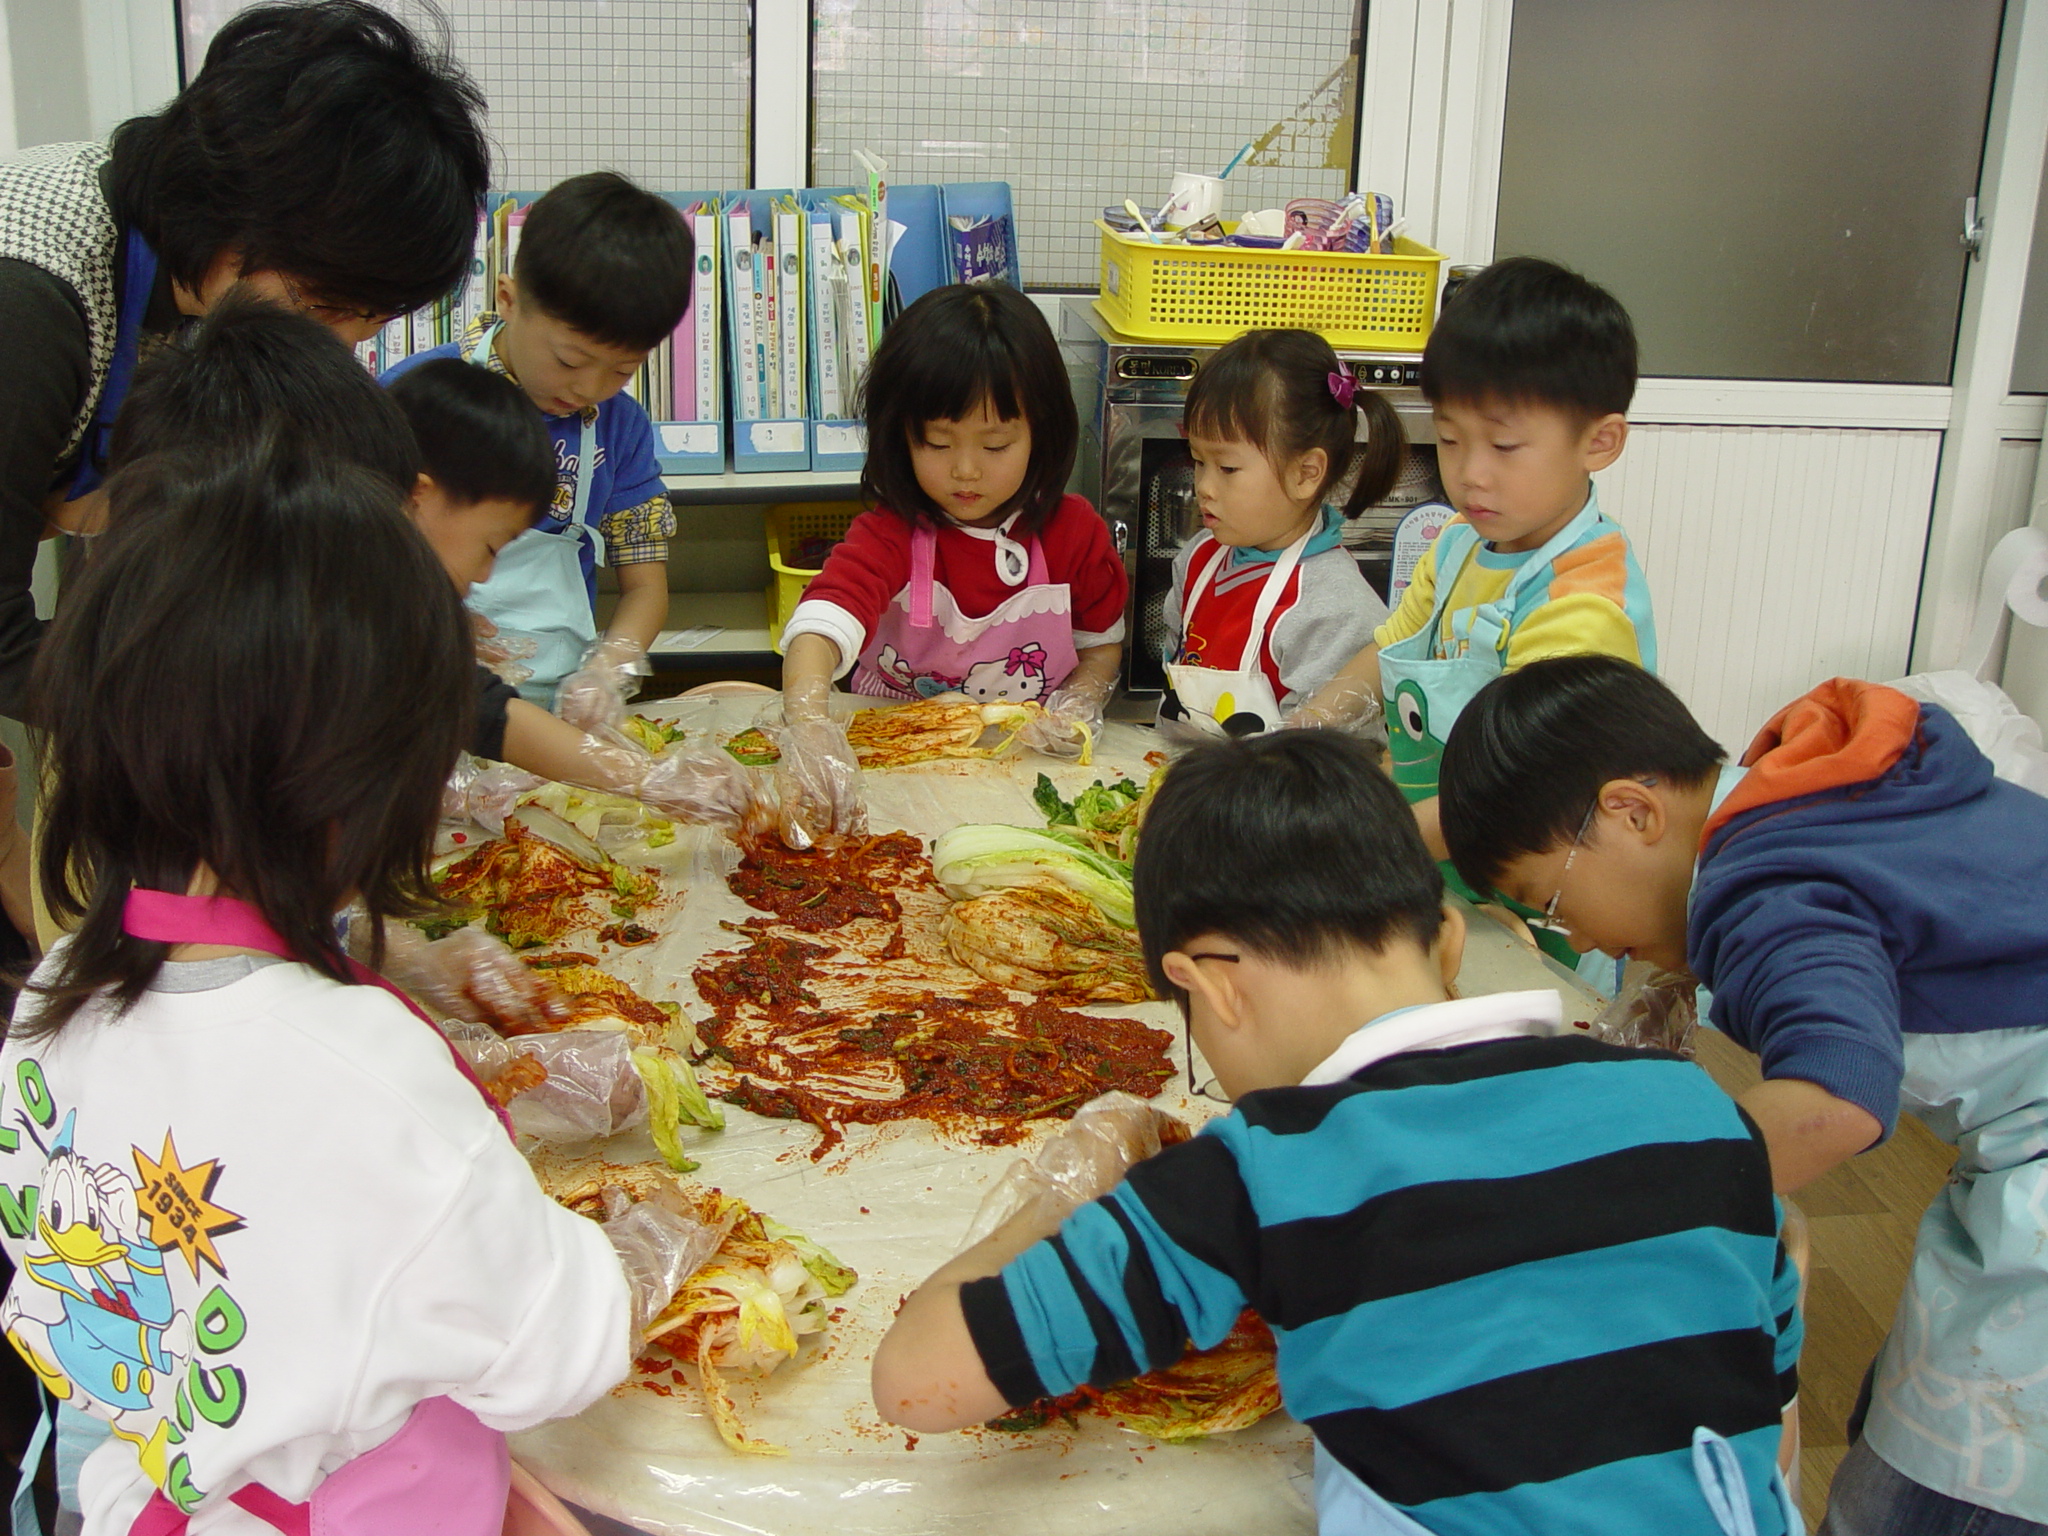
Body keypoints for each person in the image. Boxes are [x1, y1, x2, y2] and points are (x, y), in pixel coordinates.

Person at [0, 440, 710, 1536]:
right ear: (360, 784)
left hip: (144, 1494)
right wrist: (641, 1243)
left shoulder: (55, 998)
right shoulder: (363, 1070)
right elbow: (553, 1354)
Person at [873, 730, 1803, 1535]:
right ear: (1445, 940)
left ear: (1213, 985)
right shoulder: (1696, 1109)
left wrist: (1064, 1193)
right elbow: (1776, 1415)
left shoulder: (1271, 1170)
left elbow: (918, 1381)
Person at [1437, 655, 2048, 1536]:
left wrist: (1593, 1206)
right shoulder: (1797, 810)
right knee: (1909, 1419)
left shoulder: (1757, 882)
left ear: (1633, 812)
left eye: (1552, 901)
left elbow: (1836, 1099)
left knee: (1943, 1483)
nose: (1574, 933)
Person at [0, 0, 490, 717]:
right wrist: (238, 698)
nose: (332, 345)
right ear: (235, 209)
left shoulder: (195, 273)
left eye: (369, 320)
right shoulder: (29, 298)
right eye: (321, 306)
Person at [109, 298, 757, 835]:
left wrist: (644, 777)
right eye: (492, 548)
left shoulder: (348, 581)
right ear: (413, 493)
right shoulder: (296, 626)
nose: (482, 579)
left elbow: (476, 705)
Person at [1295, 257, 1656, 860]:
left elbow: (1521, 797)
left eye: (1505, 445)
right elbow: (1385, 651)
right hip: (1432, 856)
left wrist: (1351, 838)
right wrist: (1297, 734)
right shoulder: (1459, 543)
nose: (1469, 475)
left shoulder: (1587, 605)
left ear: (1600, 442)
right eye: (1451, 439)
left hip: (1535, 897)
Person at [777, 283, 1128, 838]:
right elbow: (822, 624)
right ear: (900, 437)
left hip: (1026, 775)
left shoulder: (1073, 533)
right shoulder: (890, 533)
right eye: (937, 444)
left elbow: (1101, 645)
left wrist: (1080, 703)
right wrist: (810, 727)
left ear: (1043, 432)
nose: (965, 470)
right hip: (892, 771)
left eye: (994, 447)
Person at [382, 172, 691, 721]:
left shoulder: (621, 428)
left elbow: (645, 586)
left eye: (623, 370)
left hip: (556, 702)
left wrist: (608, 670)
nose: (588, 389)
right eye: (570, 361)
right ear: (508, 298)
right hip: (418, 687)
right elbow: (350, 559)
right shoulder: (417, 397)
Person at [1159, 328, 1398, 740]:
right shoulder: (1200, 558)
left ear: (1306, 473)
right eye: (1199, 461)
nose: (1204, 487)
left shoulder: (1332, 607)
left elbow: (1328, 761)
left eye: (1227, 469)